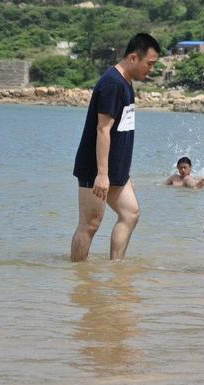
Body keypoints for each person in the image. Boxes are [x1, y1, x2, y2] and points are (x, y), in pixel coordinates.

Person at [71, 33, 160, 262]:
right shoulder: (112, 83)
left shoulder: (126, 83)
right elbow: (103, 129)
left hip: (116, 170)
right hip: (96, 169)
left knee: (130, 214)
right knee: (90, 224)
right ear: (133, 57)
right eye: (149, 64)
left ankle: (116, 268)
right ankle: (79, 276)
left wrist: (119, 170)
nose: (150, 70)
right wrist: (102, 174)